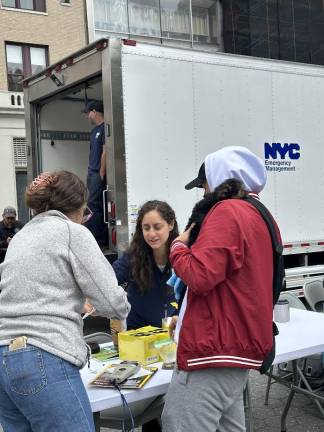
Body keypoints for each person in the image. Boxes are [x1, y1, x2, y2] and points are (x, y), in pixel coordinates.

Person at [162, 146, 282, 432]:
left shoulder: (227, 210)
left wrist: (178, 246)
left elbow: (200, 275)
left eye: (204, 185)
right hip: (235, 344)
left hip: (214, 349)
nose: (204, 193)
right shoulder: (259, 213)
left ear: (217, 178)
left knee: (179, 422)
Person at [0, 171, 130, 431]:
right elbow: (111, 303)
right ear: (77, 207)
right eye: (85, 212)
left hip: (4, 355)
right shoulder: (72, 232)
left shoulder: (22, 236)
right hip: (43, 355)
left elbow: (30, 289)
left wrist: (73, 300)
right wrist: (122, 300)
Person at [112, 200, 179, 330]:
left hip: (172, 334)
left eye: (157, 227)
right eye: (146, 228)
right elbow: (108, 279)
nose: (151, 234)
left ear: (171, 224)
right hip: (138, 335)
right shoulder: (133, 256)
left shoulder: (182, 255)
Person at [82, 100, 108, 245]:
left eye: (87, 113)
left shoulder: (104, 128)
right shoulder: (93, 131)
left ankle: (98, 240)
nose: (87, 116)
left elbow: (105, 150)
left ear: (94, 111)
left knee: (94, 205)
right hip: (91, 173)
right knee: (92, 205)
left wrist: (101, 172)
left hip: (97, 173)